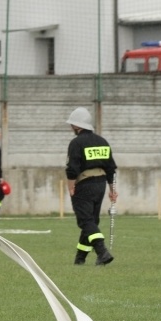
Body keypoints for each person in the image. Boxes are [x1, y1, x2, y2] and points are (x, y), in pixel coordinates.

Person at [65, 107, 117, 266]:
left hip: (84, 184)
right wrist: (112, 189)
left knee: (85, 220)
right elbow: (111, 168)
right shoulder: (102, 141)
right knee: (91, 220)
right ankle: (80, 258)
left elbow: (72, 168)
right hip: (101, 184)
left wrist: (71, 186)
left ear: (76, 126)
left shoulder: (76, 142)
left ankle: (102, 252)